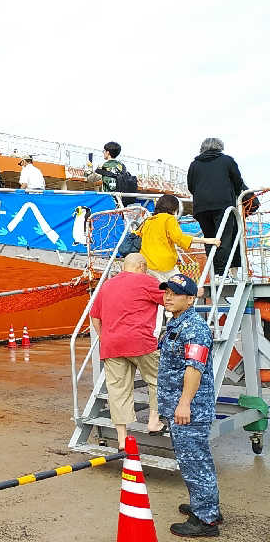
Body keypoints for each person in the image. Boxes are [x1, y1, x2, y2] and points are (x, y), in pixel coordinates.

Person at [158, 273, 221, 537]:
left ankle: (205, 519)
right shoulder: (176, 324)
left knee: (195, 461)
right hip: (179, 406)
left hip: (189, 409)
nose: (168, 296)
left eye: (175, 293)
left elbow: (194, 369)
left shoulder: (194, 327)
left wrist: (184, 404)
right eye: (166, 292)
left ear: (191, 298)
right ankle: (205, 506)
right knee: (192, 460)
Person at [90, 253, 166, 450]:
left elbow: (95, 317)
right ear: (141, 266)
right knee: (157, 379)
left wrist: (105, 337)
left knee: (117, 390)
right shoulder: (147, 281)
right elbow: (169, 300)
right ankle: (153, 420)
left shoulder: (107, 285)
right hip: (140, 342)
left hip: (111, 345)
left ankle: (123, 438)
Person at [187, 138, 246, 278]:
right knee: (224, 239)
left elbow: (191, 186)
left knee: (209, 239)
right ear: (219, 147)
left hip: (201, 208)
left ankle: (215, 273)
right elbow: (238, 181)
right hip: (223, 205)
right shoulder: (227, 161)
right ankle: (223, 273)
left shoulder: (194, 164)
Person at [139, 194, 221, 282]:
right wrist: (206, 240)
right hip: (164, 264)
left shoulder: (148, 221)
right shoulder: (169, 219)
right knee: (180, 287)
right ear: (174, 208)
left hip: (147, 264)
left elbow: (137, 235)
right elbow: (179, 238)